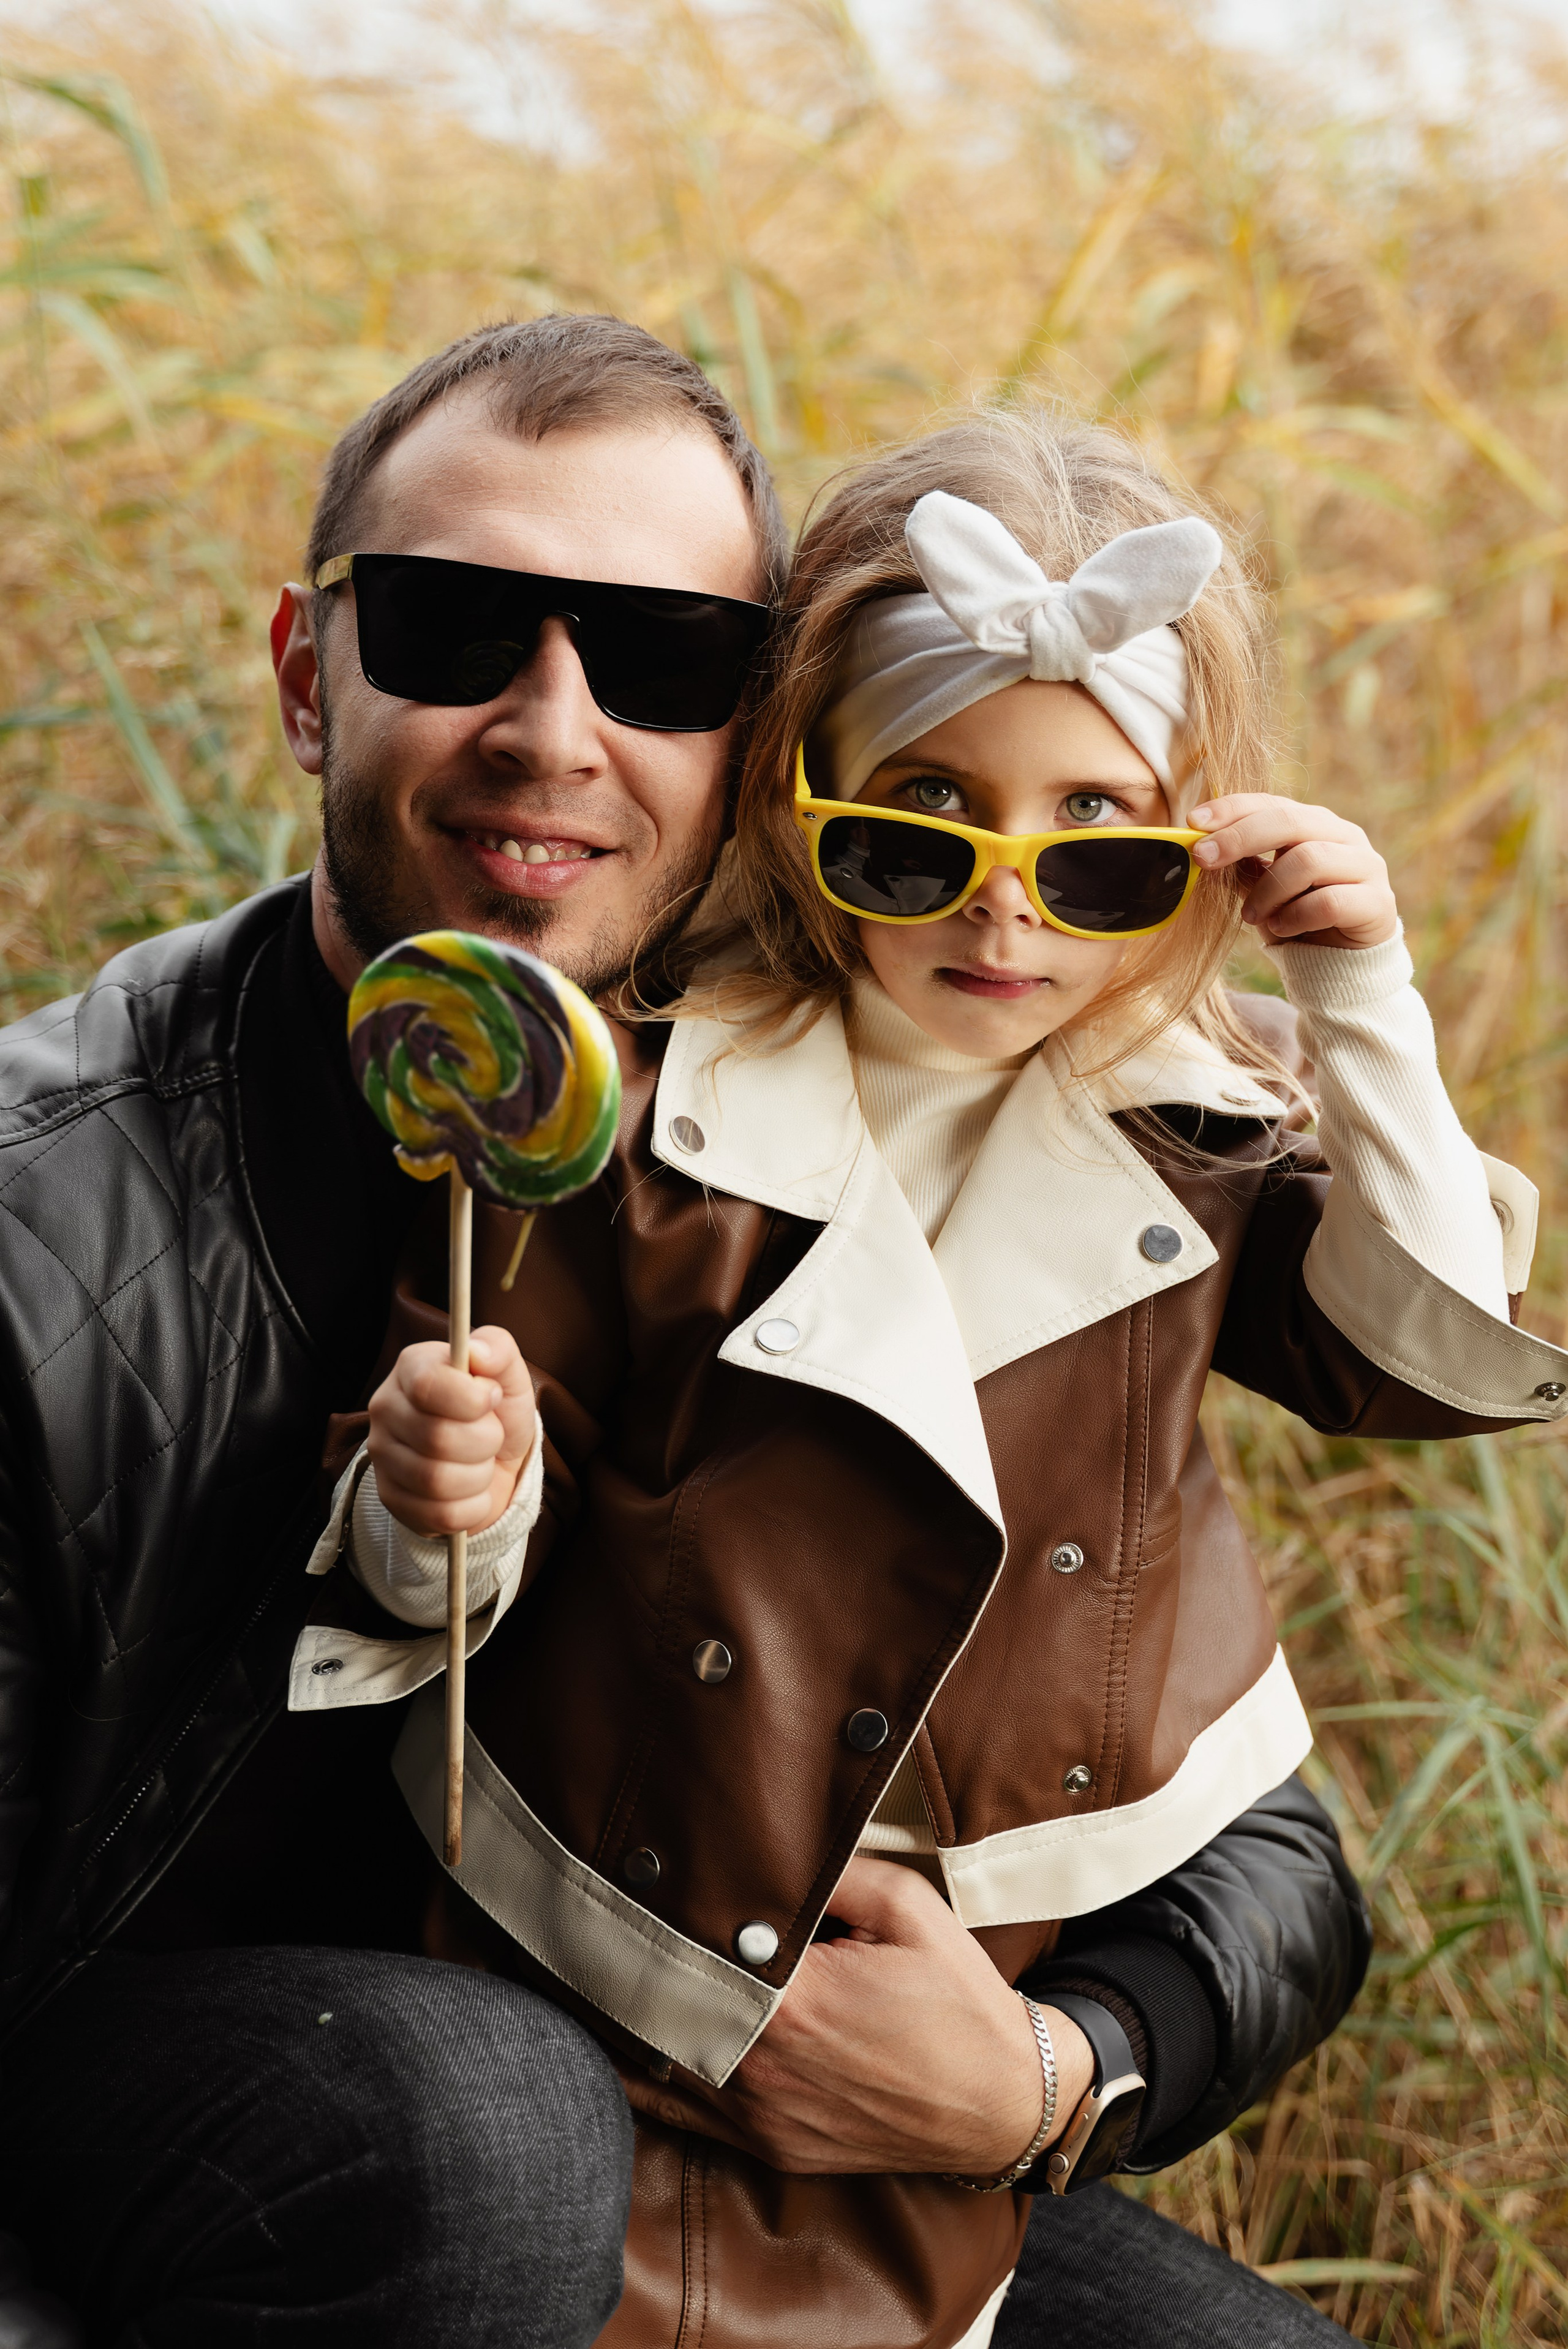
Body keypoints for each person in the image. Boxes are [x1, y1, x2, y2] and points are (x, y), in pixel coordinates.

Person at [0, 316, 1539, 2347]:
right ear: (309, 673)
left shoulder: (1061, 1126)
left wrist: (1054, 2067)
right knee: (484, 2129)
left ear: (751, 740)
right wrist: (440, 1506)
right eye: (460, 624)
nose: (556, 731)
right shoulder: (66, 1220)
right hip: (227, 2103)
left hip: (782, 2107)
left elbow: (1250, 1817)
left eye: (661, 662)